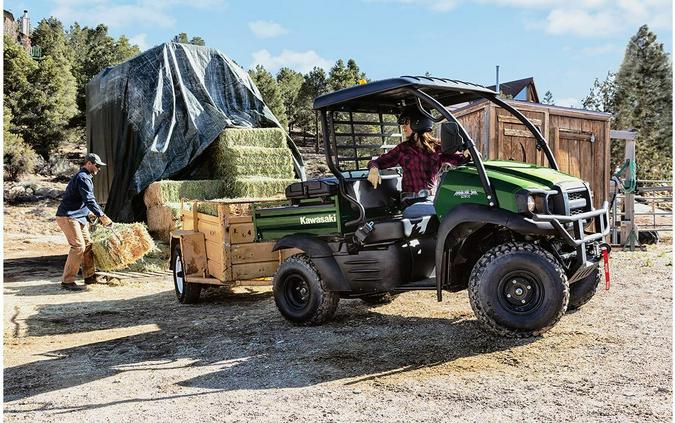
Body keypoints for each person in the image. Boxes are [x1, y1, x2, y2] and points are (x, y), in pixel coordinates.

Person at [366, 106, 468, 208]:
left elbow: (460, 159)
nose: (403, 127)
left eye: (406, 122)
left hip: (431, 200)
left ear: (417, 122)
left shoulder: (437, 147)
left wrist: (467, 154)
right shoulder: (402, 149)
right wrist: (374, 169)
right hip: (410, 202)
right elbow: (377, 162)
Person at [55, 153, 113, 291]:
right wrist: (102, 216)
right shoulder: (83, 177)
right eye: (97, 165)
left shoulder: (85, 177)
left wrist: (88, 214)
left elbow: (82, 201)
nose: (99, 168)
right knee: (78, 247)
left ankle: (89, 276)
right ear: (88, 164)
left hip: (78, 217)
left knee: (88, 245)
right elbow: (89, 199)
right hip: (68, 217)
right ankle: (67, 282)